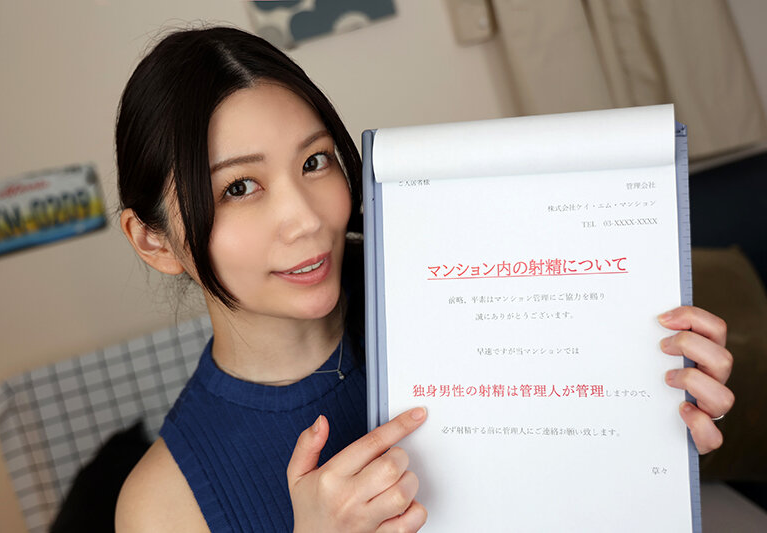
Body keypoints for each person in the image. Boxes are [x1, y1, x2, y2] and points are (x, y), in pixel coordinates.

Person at [114, 26, 734, 533]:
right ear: (153, 241)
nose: (306, 218)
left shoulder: (470, 303)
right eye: (238, 188)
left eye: (315, 161)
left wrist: (653, 431)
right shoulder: (162, 507)